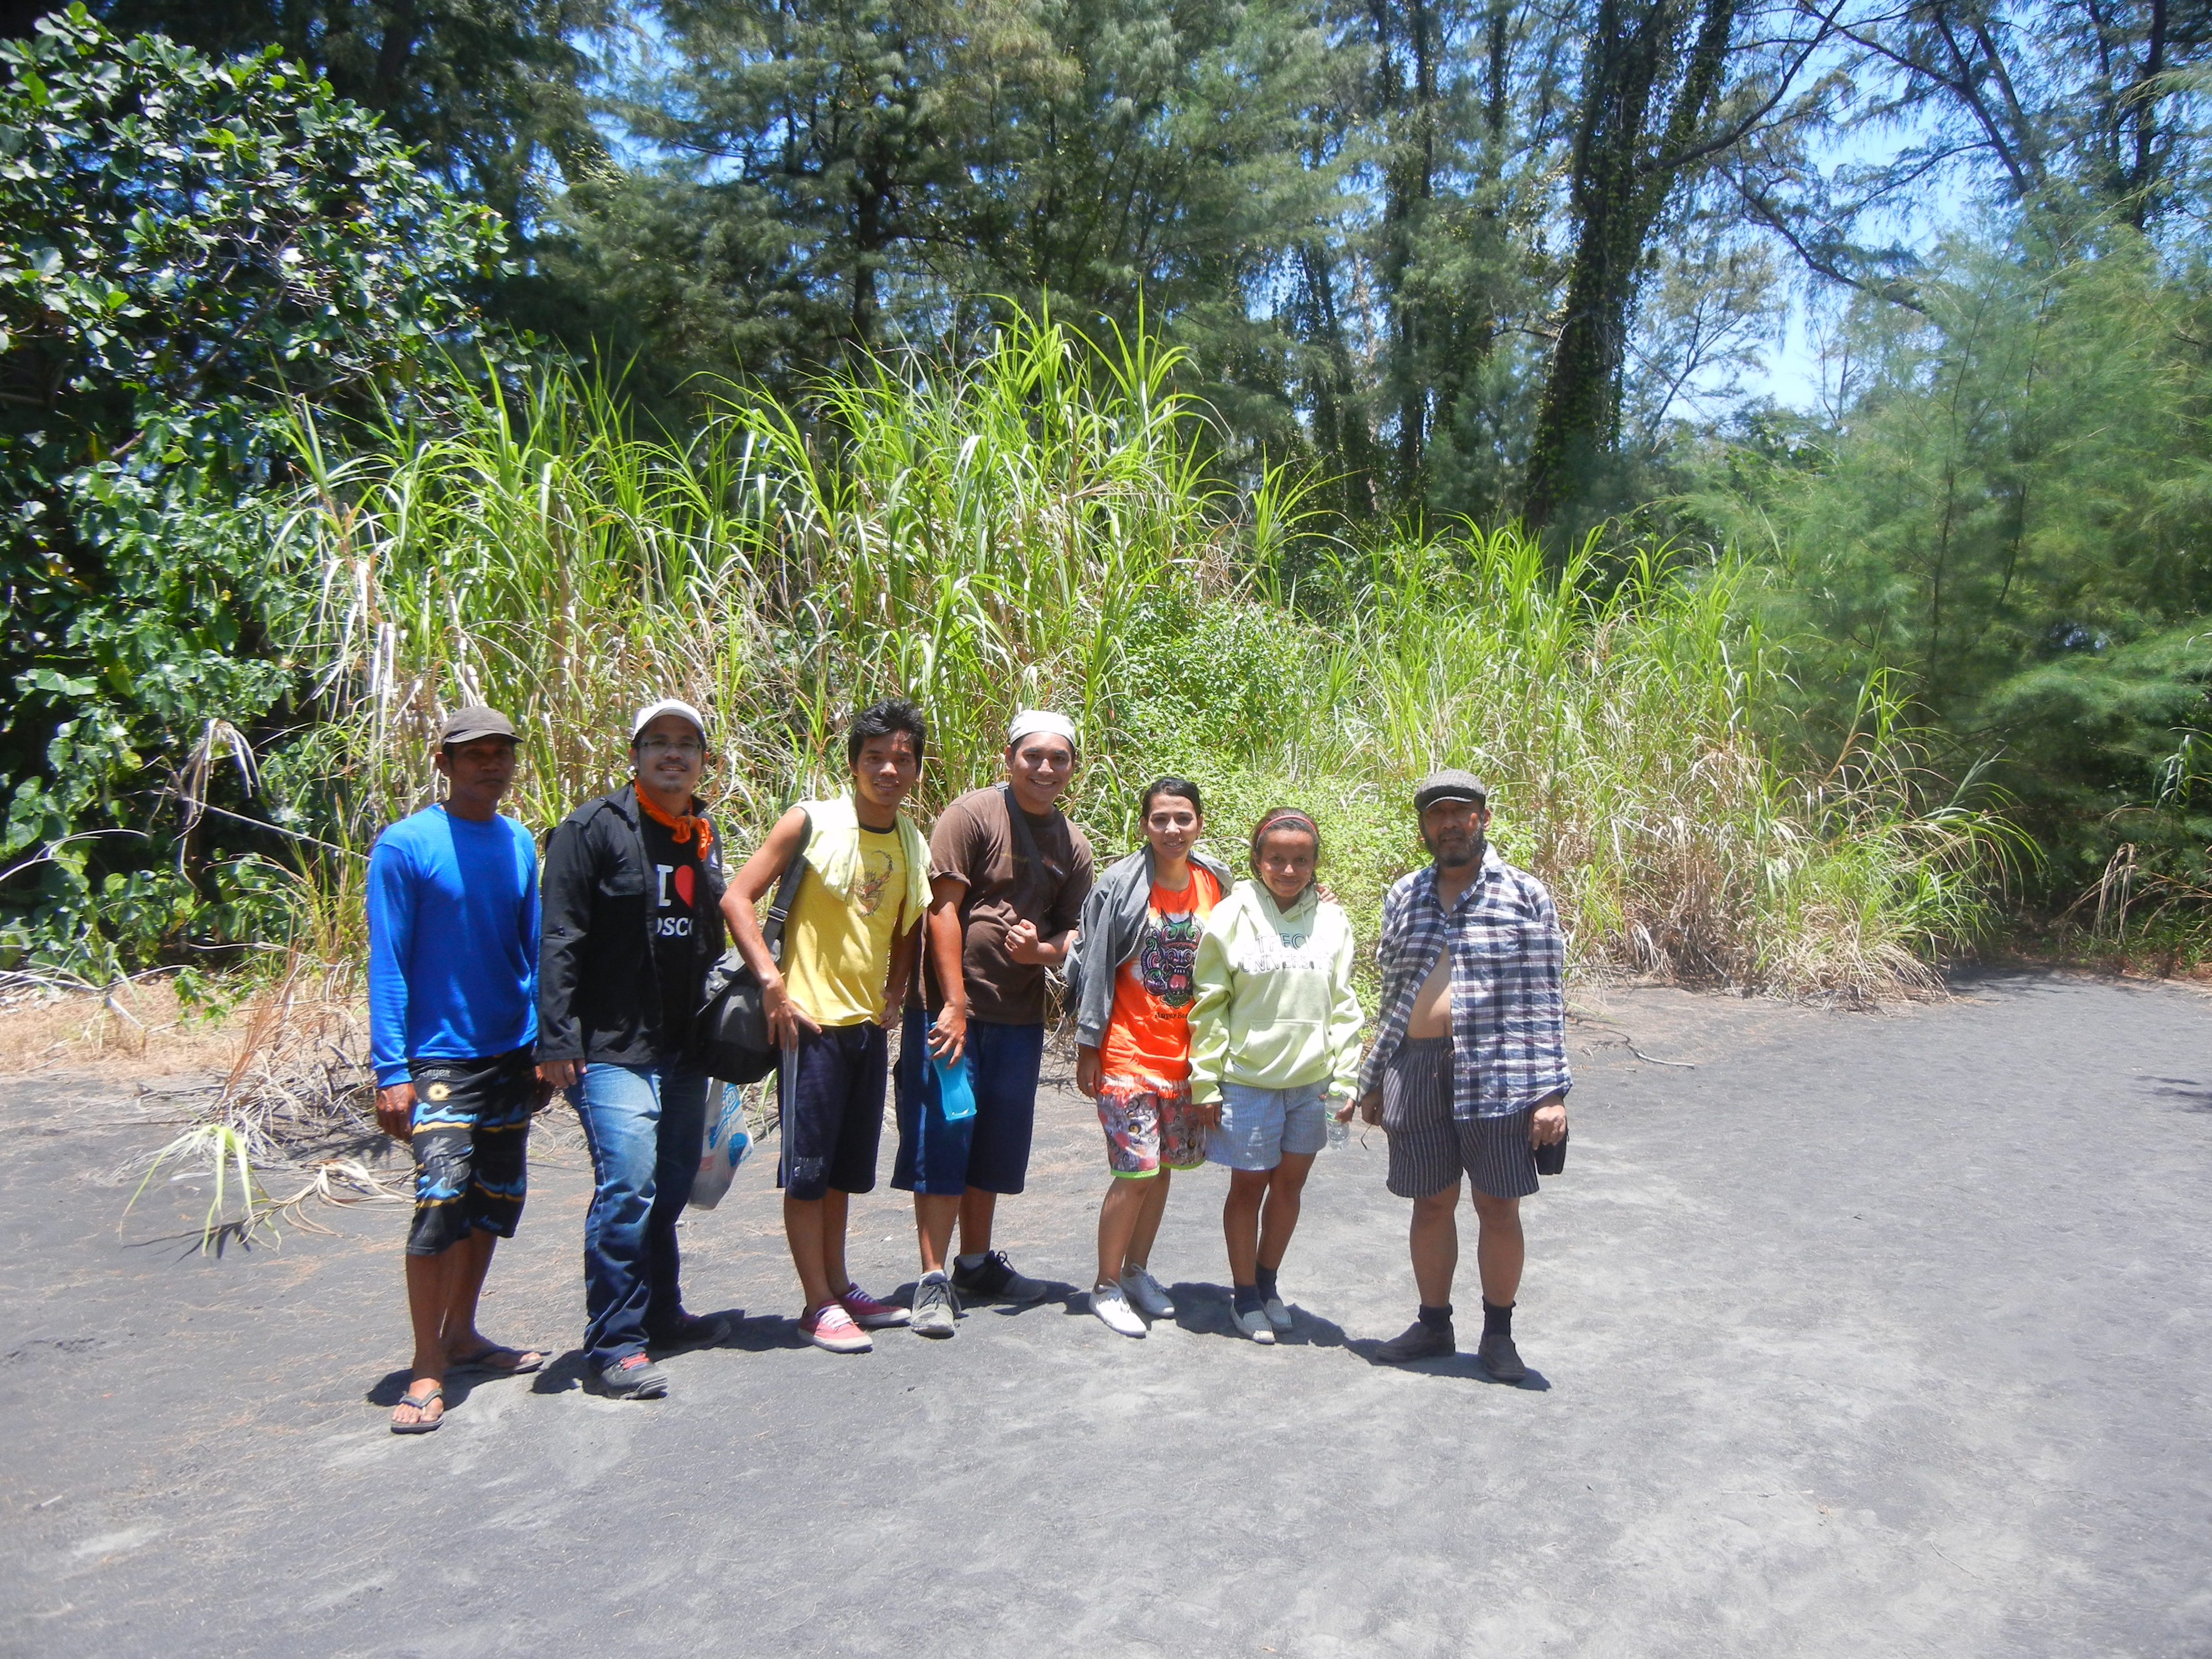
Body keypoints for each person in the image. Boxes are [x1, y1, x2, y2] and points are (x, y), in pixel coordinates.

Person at [539, 699, 735, 1401]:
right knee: (628, 1186)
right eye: (659, 743)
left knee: (672, 1184)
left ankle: (662, 1315)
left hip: (684, 1047)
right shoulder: (591, 830)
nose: (673, 755)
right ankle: (615, 1345)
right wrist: (556, 1037)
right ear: (636, 754)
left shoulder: (700, 835)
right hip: (611, 1048)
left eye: (687, 744)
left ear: (704, 760)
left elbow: (712, 936)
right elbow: (559, 936)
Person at [723, 698, 932, 1354]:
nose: (888, 770)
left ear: (917, 770)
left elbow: (910, 926)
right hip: (806, 1027)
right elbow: (736, 897)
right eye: (875, 758)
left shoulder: (908, 839)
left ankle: (839, 1285)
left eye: (902, 759)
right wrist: (773, 984)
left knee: (843, 1171)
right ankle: (815, 1304)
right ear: (852, 764)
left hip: (864, 1030)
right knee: (808, 1172)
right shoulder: (811, 821)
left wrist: (895, 994)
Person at [1353, 770, 1570, 1379]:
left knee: (1498, 1206)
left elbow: (1545, 998)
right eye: (1437, 814)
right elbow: (1392, 994)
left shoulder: (1524, 893)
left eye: (1461, 811)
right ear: (1424, 826)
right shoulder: (1404, 895)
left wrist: (1551, 1091)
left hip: (1500, 1070)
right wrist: (1376, 1077)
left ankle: (1498, 1336)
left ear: (1484, 818)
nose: (1449, 823)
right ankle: (1433, 1323)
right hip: (1415, 1069)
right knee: (1429, 1203)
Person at [367, 706, 549, 1434]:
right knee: (439, 1202)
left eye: (502, 752)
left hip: (512, 1050)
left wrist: (545, 1041)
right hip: (439, 1058)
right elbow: (388, 962)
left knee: (491, 1202)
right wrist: (391, 1070)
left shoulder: (517, 844)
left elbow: (531, 953)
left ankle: (464, 1334)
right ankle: (426, 1364)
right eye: (475, 754)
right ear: (443, 763)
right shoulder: (405, 845)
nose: (491, 764)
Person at [893, 709, 1094, 1335]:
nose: (1045, 768)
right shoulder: (973, 815)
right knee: (943, 1136)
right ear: (1008, 758)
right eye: (1033, 755)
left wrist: (1041, 951)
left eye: (1059, 759)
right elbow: (942, 912)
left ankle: (975, 1263)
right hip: (950, 1014)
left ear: (1072, 769)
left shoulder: (1073, 844)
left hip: (1018, 1016)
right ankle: (932, 1278)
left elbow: (1076, 935)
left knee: (994, 1142)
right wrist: (951, 1003)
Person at [1187, 808, 1364, 1343]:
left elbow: (1343, 1004)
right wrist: (1205, 1081)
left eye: (1301, 860)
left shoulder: (1332, 921)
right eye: (1277, 859)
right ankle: (1244, 1296)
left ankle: (1268, 1284)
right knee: (1249, 1187)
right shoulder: (1230, 915)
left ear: (1315, 864)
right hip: (1248, 1080)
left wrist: (1346, 1079)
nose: (1289, 870)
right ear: (1257, 860)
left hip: (1311, 1084)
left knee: (1290, 1186)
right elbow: (1210, 1005)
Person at [1072, 777, 1234, 1338]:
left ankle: (1137, 1271)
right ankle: (1105, 1285)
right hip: (1125, 1050)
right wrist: (1087, 1045)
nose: (1171, 829)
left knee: (1162, 1169)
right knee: (1134, 1170)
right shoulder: (1119, 885)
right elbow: (1091, 966)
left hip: (1186, 1059)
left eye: (1182, 818)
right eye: (1160, 818)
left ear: (1199, 823)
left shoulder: (1215, 882)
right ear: (1144, 824)